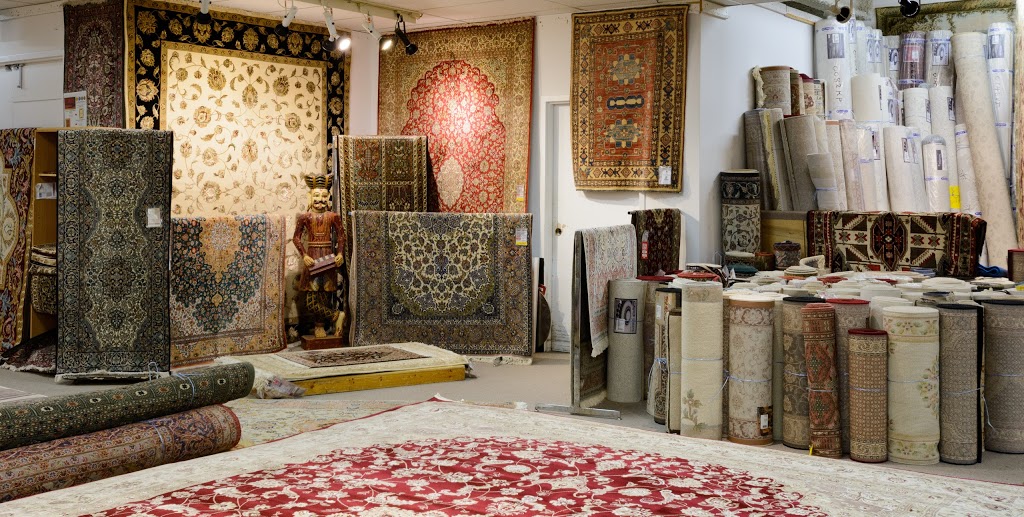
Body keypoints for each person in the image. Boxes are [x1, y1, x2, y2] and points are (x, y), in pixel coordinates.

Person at [292, 174, 346, 338]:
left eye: (324, 196)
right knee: (311, 299)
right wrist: (304, 255)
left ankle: (319, 326)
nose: (320, 200)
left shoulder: (333, 216)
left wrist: (340, 253)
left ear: (328, 197)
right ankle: (337, 316)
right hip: (312, 258)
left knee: (324, 295)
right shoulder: (305, 217)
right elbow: (296, 238)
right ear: (310, 196)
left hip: (328, 258)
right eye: (316, 195)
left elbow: (341, 236)